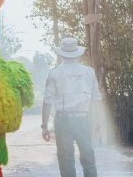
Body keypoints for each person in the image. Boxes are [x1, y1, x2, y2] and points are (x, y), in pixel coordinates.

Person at [41, 37, 102, 177]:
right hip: (83, 120)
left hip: (63, 121)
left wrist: (44, 126)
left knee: (66, 160)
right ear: (78, 53)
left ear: (61, 53)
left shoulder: (54, 72)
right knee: (88, 158)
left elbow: (47, 100)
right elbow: (96, 100)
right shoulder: (89, 72)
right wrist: (98, 123)